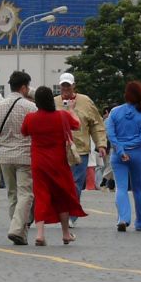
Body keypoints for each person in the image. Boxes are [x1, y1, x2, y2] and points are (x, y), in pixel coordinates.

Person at [22, 86, 84, 246]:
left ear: (37, 101)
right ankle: (65, 233)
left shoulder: (30, 118)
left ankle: (40, 234)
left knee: (41, 195)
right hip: (59, 162)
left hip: (39, 162)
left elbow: (24, 132)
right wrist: (71, 109)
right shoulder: (62, 116)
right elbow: (77, 125)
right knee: (62, 195)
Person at [0, 70, 37, 245]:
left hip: (5, 155)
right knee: (26, 194)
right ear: (24, 87)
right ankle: (16, 229)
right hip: (25, 155)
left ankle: (20, 232)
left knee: (12, 194)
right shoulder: (30, 107)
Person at [55, 73, 106, 211]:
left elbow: (96, 124)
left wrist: (101, 144)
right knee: (61, 183)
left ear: (73, 86)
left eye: (68, 85)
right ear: (59, 86)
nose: (65, 88)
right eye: (63, 85)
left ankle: (71, 213)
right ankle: (64, 210)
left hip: (80, 150)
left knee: (76, 183)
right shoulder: (54, 102)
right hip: (59, 149)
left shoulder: (85, 101)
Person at [106, 80, 141, 233]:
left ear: (126, 95)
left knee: (121, 188)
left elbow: (110, 134)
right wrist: (130, 146)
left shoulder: (114, 112)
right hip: (137, 153)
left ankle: (123, 218)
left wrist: (121, 149)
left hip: (118, 154)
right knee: (139, 189)